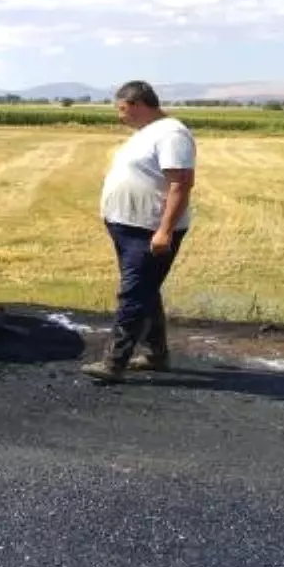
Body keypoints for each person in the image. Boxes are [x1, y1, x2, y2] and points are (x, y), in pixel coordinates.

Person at [80, 80, 196, 383]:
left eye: (122, 109)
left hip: (149, 230)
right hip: (128, 226)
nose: (120, 116)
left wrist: (164, 231)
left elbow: (180, 184)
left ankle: (114, 363)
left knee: (133, 293)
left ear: (138, 104)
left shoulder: (172, 134)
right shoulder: (148, 133)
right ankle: (156, 355)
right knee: (145, 290)